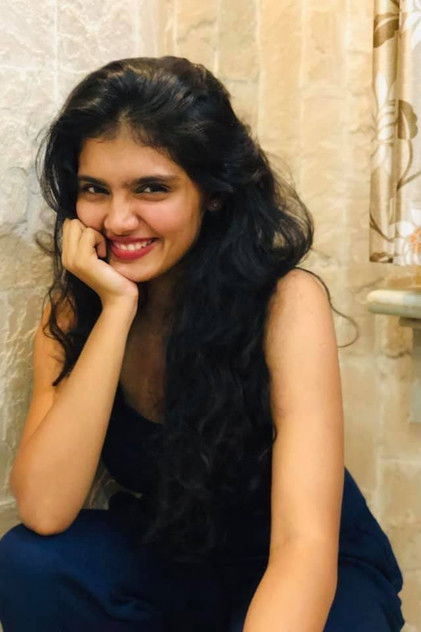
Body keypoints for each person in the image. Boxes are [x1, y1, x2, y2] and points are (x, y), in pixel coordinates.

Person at [0, 56, 404, 632]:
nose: (118, 219)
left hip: (300, 563)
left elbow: (303, 543)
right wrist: (116, 310)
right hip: (175, 555)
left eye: (151, 188)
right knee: (28, 562)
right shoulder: (75, 307)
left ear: (211, 193)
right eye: (95, 189)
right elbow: (45, 508)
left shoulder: (285, 303)